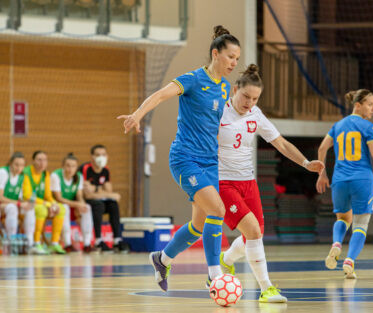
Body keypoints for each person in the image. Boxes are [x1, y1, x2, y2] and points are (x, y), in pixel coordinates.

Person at [118, 25, 241, 292]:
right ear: (216, 53)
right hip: (185, 159)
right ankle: (214, 275)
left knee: (198, 225)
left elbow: (214, 124)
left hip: (209, 162)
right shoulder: (194, 79)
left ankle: (162, 259)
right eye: (231, 57)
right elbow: (161, 95)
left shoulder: (225, 87)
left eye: (237, 59)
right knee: (217, 210)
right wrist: (137, 115)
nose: (234, 63)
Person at [216, 64, 324, 303]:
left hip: (249, 182)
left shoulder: (256, 114)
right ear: (234, 89)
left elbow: (282, 144)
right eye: (245, 96)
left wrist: (306, 163)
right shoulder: (219, 112)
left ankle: (227, 260)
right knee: (253, 231)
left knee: (254, 236)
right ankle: (267, 289)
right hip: (224, 183)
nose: (249, 102)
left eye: (255, 98)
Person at [316, 89, 373, 279]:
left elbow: (322, 148)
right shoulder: (368, 126)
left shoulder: (338, 125)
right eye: (370, 104)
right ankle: (349, 261)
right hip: (361, 180)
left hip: (339, 180)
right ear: (358, 105)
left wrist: (322, 174)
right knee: (361, 224)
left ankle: (336, 244)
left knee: (343, 218)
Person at [80, 144, 129, 253]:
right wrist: (101, 190)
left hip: (99, 200)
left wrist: (95, 189)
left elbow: (109, 192)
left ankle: (117, 240)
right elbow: (87, 195)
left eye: (103, 154)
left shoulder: (105, 170)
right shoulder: (86, 169)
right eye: (97, 155)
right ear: (92, 157)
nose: (101, 157)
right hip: (85, 202)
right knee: (99, 205)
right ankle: (98, 241)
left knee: (113, 204)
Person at [23, 151, 66, 254]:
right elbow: (27, 196)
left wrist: (53, 203)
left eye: (45, 160)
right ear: (33, 161)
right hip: (26, 204)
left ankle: (54, 243)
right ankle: (36, 242)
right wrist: (47, 204)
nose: (42, 163)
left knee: (61, 209)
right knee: (41, 210)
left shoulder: (46, 174)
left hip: (40, 203)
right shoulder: (26, 173)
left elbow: (48, 195)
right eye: (39, 160)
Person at [51, 153, 94, 253]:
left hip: (72, 205)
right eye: (68, 165)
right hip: (56, 206)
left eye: (73, 166)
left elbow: (79, 195)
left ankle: (87, 243)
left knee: (87, 208)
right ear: (63, 166)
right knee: (64, 207)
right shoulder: (56, 175)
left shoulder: (78, 176)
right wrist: (77, 205)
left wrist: (82, 205)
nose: (70, 169)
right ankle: (67, 243)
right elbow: (59, 198)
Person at [0, 152, 35, 252]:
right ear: (10, 164)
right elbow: (0, 197)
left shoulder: (21, 177)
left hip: (9, 204)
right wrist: (19, 204)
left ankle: (30, 243)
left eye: (22, 165)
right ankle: (12, 242)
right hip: (3, 204)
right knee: (12, 208)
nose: (19, 167)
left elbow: (19, 199)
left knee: (29, 209)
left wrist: (28, 204)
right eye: (16, 164)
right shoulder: (3, 173)